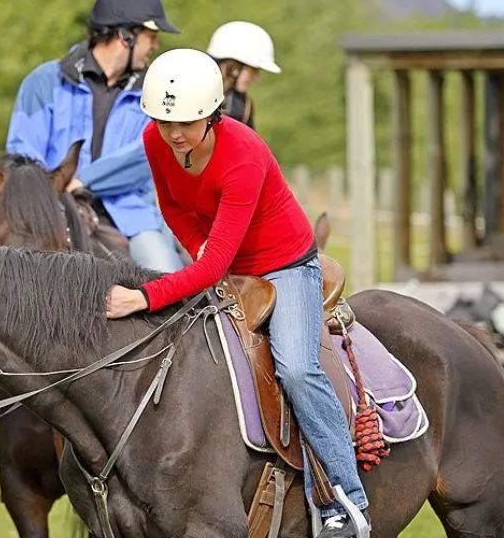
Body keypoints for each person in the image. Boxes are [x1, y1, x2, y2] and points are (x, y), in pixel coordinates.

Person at [103, 48, 370, 538]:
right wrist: (197, 246)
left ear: (212, 114)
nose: (174, 133)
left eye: (185, 121)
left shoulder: (242, 154)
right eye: (165, 121)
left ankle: (346, 502)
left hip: (284, 266)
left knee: (296, 366)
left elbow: (213, 268)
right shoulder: (153, 139)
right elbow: (174, 210)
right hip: (222, 263)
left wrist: (144, 297)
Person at [5, 0, 185, 273]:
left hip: (131, 219)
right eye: (151, 36)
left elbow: (149, 152)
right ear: (126, 35)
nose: (154, 46)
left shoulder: (157, 91)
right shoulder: (43, 82)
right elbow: (22, 154)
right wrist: (55, 188)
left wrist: (83, 181)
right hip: (50, 214)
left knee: (169, 278)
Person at [205, 20, 281, 128]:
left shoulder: (243, 107)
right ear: (234, 67)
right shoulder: (186, 91)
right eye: (254, 70)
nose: (256, 79)